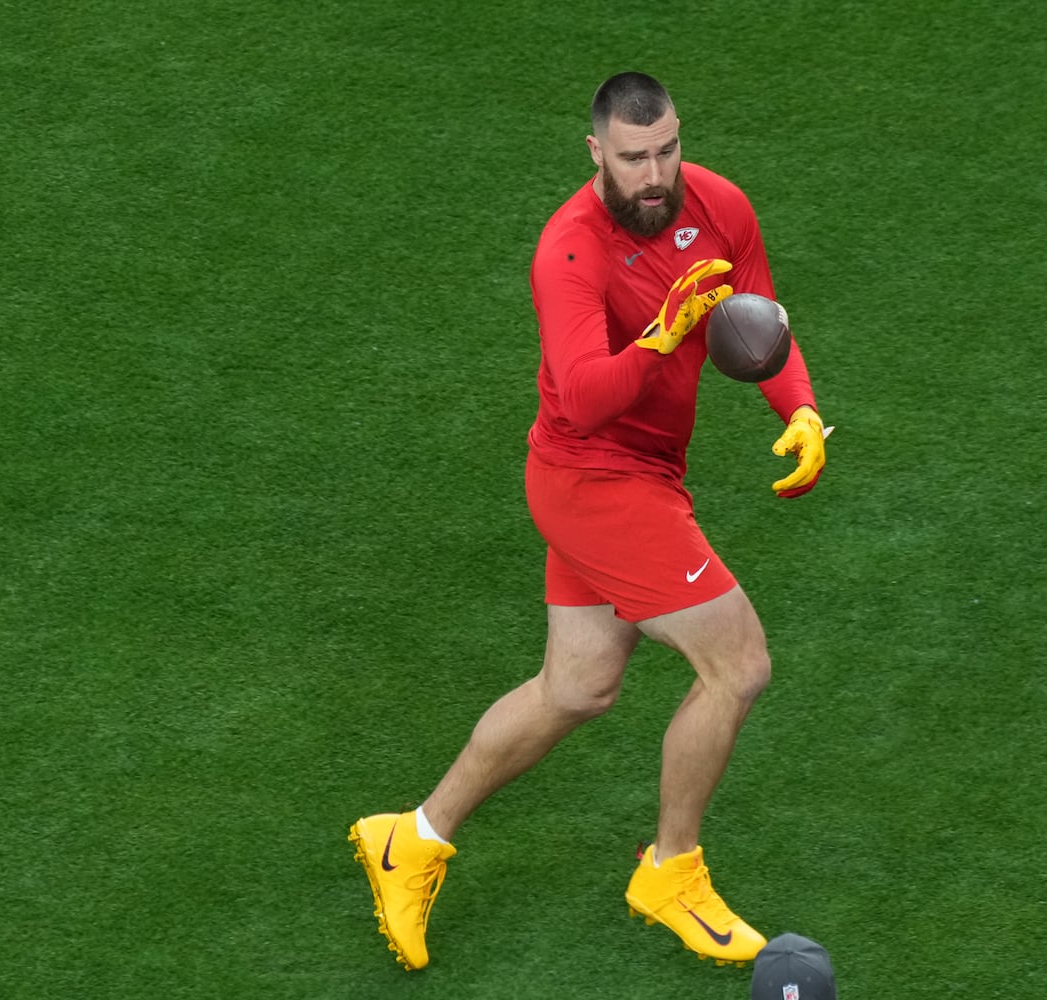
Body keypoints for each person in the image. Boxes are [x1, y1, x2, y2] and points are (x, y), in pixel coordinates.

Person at [349, 71, 829, 972]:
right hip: (591, 478)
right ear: (596, 154)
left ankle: (407, 838)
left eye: (668, 150)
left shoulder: (718, 205)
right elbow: (584, 395)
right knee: (738, 665)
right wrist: (657, 336)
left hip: (645, 473)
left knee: (576, 688)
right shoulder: (568, 251)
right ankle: (670, 871)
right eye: (634, 158)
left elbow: (760, 323)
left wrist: (798, 410)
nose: (656, 175)